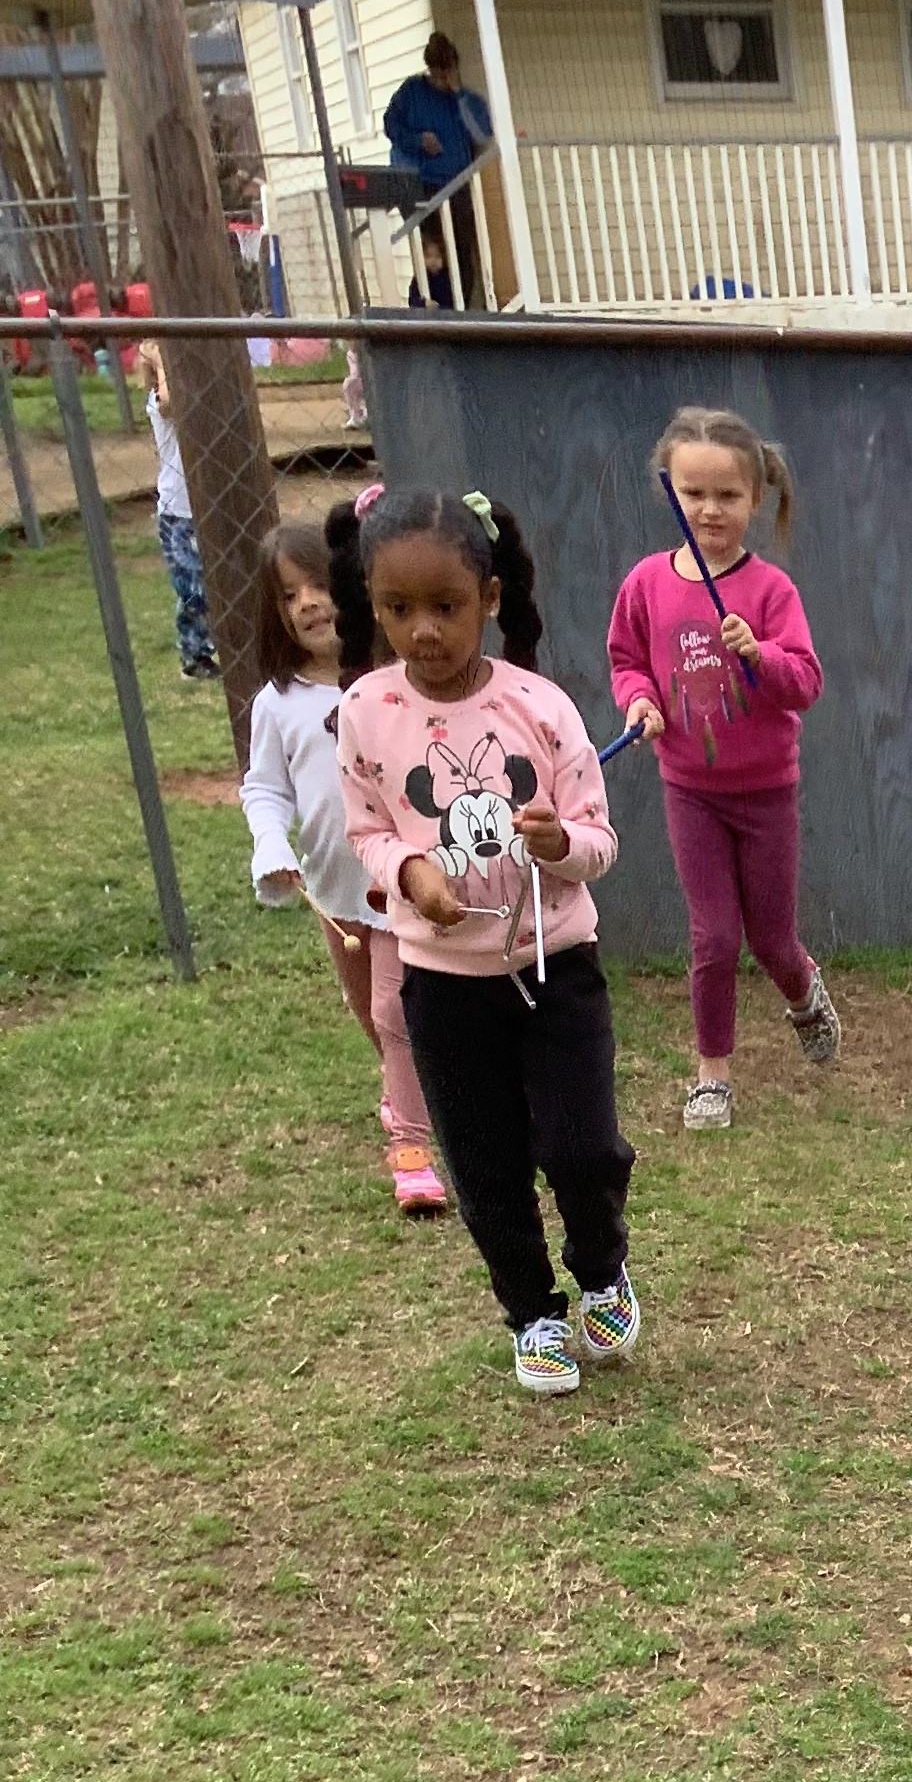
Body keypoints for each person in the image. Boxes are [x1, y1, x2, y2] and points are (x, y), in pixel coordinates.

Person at [332, 486, 635, 1398]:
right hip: (443, 987)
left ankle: (601, 1269)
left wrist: (559, 844)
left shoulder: (540, 708)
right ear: (374, 607)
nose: (423, 630)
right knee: (484, 1161)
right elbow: (367, 829)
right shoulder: (365, 709)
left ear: (490, 599)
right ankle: (532, 1313)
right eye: (398, 609)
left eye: (446, 606)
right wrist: (407, 873)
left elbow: (600, 841)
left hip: (556, 970)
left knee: (583, 1148)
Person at [608, 408, 839, 1134]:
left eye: (728, 495)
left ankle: (803, 990)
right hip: (691, 791)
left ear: (756, 499)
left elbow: (805, 682)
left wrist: (758, 654)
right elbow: (627, 660)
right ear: (669, 492)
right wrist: (641, 702)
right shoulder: (647, 583)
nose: (710, 510)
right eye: (694, 493)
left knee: (771, 940)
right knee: (713, 937)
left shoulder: (771, 592)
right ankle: (712, 1076)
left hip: (767, 793)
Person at [240, 520, 444, 1215]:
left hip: (397, 886)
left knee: (394, 1010)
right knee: (373, 1017)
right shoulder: (278, 705)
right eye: (287, 595)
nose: (306, 603)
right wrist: (272, 845)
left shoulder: (395, 683)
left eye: (317, 585)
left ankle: (412, 1150)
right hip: (335, 893)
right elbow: (265, 789)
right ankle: (404, 1091)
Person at [383, 33, 493, 310]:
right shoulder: (411, 93)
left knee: (461, 252)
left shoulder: (465, 100)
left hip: (456, 184)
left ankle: (458, 311)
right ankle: (423, 304)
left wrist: (459, 95)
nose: (442, 80)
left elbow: (482, 134)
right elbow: (391, 125)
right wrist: (418, 140)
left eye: (447, 73)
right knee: (433, 253)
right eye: (437, 74)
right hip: (420, 184)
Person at [136, 340, 216, 680]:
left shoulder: (200, 401)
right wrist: (159, 360)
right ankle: (194, 657)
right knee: (193, 587)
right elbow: (170, 402)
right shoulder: (158, 401)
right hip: (178, 511)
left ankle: (217, 645)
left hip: (208, 504)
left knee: (218, 579)